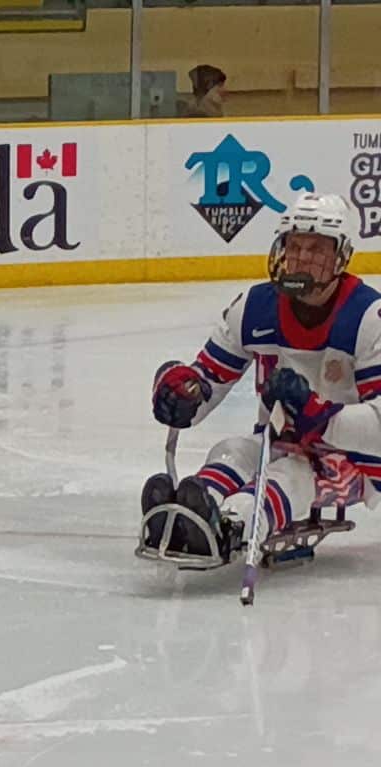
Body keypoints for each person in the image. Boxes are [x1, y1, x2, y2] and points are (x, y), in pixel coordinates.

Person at [145, 192, 381, 564]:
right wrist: (182, 392)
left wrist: (318, 414)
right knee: (233, 450)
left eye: (317, 249)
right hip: (278, 440)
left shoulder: (368, 318)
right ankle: (191, 512)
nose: (302, 258)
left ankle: (232, 525)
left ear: (341, 257)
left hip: (355, 461)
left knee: (294, 473)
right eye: (295, 245)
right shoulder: (254, 308)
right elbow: (206, 379)